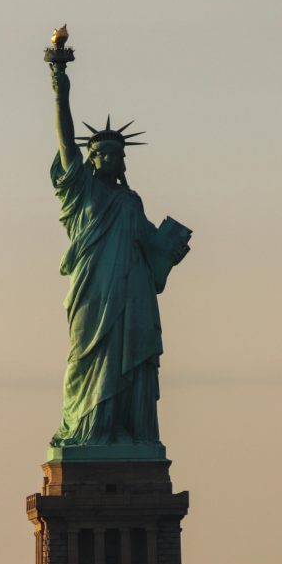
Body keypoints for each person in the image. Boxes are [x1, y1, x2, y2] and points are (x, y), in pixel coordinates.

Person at [49, 63, 190, 449]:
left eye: (116, 153)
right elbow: (66, 144)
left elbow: (151, 252)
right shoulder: (82, 192)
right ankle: (89, 429)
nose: (110, 158)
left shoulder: (131, 201)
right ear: (91, 159)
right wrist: (61, 92)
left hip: (133, 295)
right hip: (93, 293)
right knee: (86, 358)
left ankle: (124, 429)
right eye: (102, 153)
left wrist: (170, 250)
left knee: (129, 358)